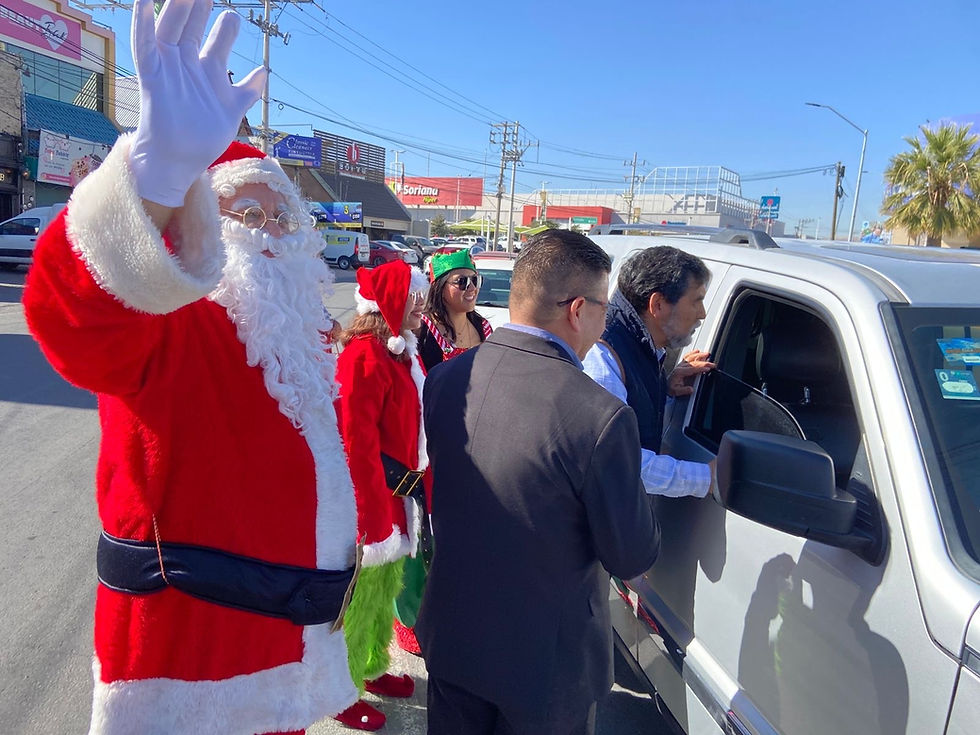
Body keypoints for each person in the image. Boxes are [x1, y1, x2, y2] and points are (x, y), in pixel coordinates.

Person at [22, 2, 359, 733]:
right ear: (205, 224)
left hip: (288, 646)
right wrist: (157, 176)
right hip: (189, 655)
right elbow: (77, 317)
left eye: (283, 218)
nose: (270, 233)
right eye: (246, 214)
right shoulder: (172, 318)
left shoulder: (305, 340)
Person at [417, 229, 661, 735]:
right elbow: (631, 554)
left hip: (453, 635)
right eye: (604, 307)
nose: (605, 320)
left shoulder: (445, 380)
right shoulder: (601, 416)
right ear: (577, 309)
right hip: (546, 669)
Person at [333, 260, 430, 731]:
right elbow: (355, 444)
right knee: (358, 601)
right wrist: (371, 517)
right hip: (371, 503)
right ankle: (340, 688)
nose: (422, 307)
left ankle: (370, 669)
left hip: (398, 499)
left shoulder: (400, 351)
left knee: (384, 592)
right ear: (392, 300)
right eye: (415, 297)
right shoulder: (364, 356)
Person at [583, 246, 717, 498]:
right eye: (697, 300)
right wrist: (708, 477)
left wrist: (662, 390)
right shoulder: (602, 357)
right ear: (657, 305)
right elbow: (618, 463)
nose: (702, 313)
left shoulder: (640, 346)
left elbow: (631, 414)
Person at [417, 249, 493, 371]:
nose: (472, 288)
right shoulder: (422, 329)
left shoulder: (484, 328)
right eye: (462, 282)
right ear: (440, 288)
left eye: (475, 280)